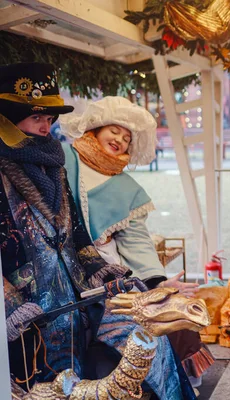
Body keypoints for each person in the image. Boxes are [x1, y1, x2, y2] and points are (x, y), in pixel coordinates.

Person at [0, 62, 195, 399]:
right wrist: (10, 305)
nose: (45, 127)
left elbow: (78, 236)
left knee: (141, 352)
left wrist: (103, 272)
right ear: (8, 119)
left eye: (49, 119)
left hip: (74, 303)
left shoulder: (54, 168)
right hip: (29, 316)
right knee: (49, 389)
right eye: (37, 118)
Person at [60, 95, 214, 386]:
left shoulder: (128, 188)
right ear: (96, 128)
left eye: (127, 138)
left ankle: (169, 380)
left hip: (107, 270)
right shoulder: (62, 159)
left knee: (165, 310)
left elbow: (137, 242)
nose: (120, 140)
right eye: (114, 130)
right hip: (60, 266)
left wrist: (157, 282)